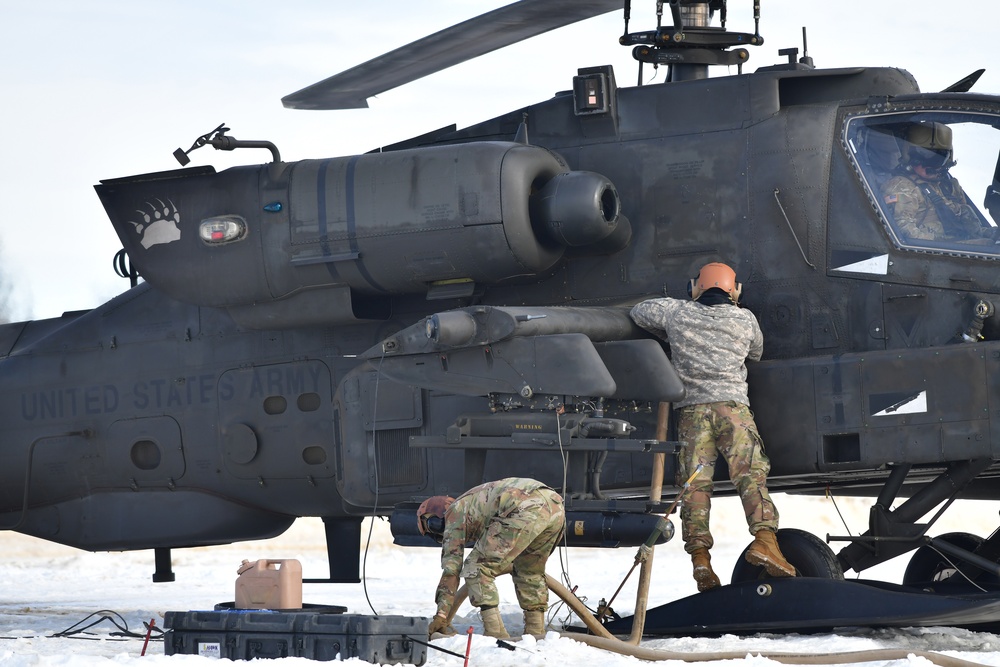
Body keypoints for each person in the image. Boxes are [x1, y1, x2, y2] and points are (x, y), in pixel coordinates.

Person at [629, 262, 795, 592]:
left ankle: (701, 560)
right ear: (734, 290)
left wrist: (680, 312)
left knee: (695, 486)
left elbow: (639, 312)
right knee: (750, 474)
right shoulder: (745, 319)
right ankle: (765, 541)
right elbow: (757, 353)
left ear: (697, 287)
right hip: (732, 410)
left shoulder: (677, 313)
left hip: (692, 414)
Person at [417, 477, 565, 639]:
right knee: (528, 571)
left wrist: (441, 616)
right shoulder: (473, 505)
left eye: (433, 528)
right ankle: (536, 633)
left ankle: (496, 633)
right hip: (554, 506)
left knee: (477, 568)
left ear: (435, 519)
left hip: (524, 507)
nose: (440, 535)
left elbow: (451, 570)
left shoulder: (454, 512)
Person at [880, 122, 997, 244]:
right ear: (910, 157)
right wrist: (943, 243)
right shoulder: (902, 187)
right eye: (923, 158)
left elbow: (967, 228)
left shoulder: (948, 185)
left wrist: (989, 233)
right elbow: (903, 232)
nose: (932, 166)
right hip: (932, 253)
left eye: (938, 158)